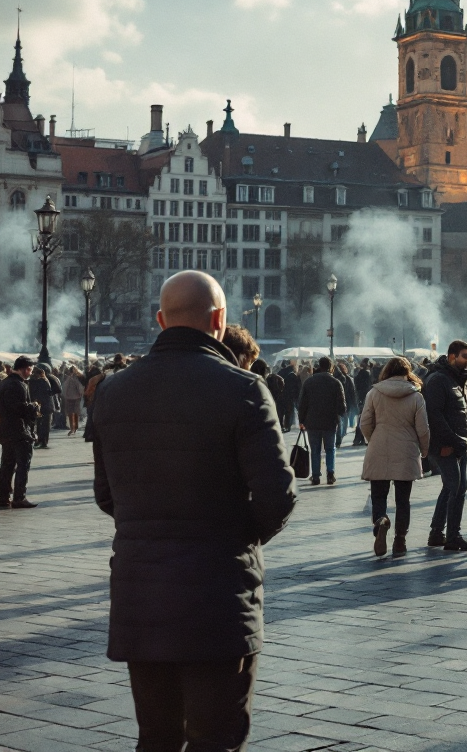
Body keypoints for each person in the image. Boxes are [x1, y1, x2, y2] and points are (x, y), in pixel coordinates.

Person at [91, 270, 296, 752]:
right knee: (215, 737)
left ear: (161, 320)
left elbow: (106, 495)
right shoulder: (244, 388)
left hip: (141, 591)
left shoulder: (114, 391)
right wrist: (231, 540)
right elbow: (277, 496)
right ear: (220, 319)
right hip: (219, 596)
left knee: (157, 738)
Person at [359, 356, 429, 557]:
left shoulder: (374, 393)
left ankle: (381, 520)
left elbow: (364, 423)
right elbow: (423, 429)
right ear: (407, 373)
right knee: (403, 500)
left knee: (379, 495)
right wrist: (424, 449)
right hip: (406, 449)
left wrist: (374, 439)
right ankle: (400, 540)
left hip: (379, 447)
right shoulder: (416, 396)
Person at [424, 341, 467, 551]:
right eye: (465, 356)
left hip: (460, 443)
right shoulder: (439, 380)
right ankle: (453, 536)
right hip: (448, 444)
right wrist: (450, 441)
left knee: (451, 486)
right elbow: (434, 415)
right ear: (452, 356)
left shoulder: (457, 378)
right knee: (457, 487)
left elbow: (463, 413)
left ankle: (437, 532)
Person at [0, 356, 41, 509]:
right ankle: (19, 497)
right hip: (20, 431)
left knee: (7, 465)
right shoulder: (18, 385)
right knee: (22, 465)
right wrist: (33, 407)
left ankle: (3, 497)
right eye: (30, 370)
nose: (30, 373)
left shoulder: (3, 383)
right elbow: (17, 408)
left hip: (5, 430)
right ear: (25, 368)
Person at [298, 357, 346, 485]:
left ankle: (315, 476)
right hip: (330, 421)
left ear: (319, 366)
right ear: (331, 367)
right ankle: (330, 473)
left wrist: (301, 420)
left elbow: (302, 403)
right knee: (330, 448)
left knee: (315, 449)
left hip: (312, 422)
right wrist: (339, 415)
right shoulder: (336, 383)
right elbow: (342, 407)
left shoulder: (309, 382)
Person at [31, 366, 59, 450]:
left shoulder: (34, 381)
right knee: (45, 425)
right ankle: (43, 442)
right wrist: (50, 393)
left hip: (39, 405)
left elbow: (32, 394)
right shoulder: (46, 380)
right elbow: (58, 389)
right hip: (47, 405)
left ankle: (39, 441)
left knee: (39, 424)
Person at [62, 367, 85, 436]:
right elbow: (80, 387)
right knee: (75, 412)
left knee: (71, 413)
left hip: (69, 397)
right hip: (76, 397)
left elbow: (64, 387)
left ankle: (73, 428)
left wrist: (64, 395)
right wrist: (81, 394)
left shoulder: (69, 378)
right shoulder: (78, 377)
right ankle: (75, 427)